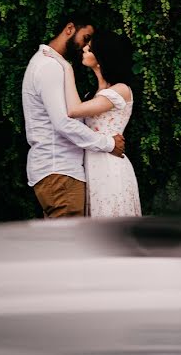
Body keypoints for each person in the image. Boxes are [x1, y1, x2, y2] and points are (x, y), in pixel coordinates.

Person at [22, 13, 125, 218]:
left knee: (61, 245)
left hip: (57, 173)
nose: (86, 46)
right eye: (85, 38)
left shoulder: (53, 63)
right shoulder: (50, 66)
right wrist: (109, 144)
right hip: (59, 172)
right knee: (69, 246)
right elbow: (63, 123)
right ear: (69, 29)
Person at [43, 30, 142, 217]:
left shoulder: (120, 90)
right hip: (92, 164)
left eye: (90, 48)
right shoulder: (94, 94)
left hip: (109, 166)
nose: (85, 49)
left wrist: (67, 69)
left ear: (102, 57)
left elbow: (73, 110)